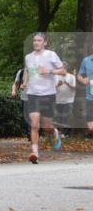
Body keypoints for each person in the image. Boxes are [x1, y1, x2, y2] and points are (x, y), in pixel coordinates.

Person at [20, 32, 66, 163]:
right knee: (34, 124)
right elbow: (28, 71)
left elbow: (63, 71)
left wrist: (49, 71)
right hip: (33, 94)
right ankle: (34, 152)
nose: (36, 43)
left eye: (39, 40)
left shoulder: (51, 55)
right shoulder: (28, 57)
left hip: (48, 94)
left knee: (46, 127)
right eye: (34, 40)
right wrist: (25, 82)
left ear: (45, 42)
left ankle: (54, 131)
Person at [54, 63, 76, 139]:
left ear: (66, 68)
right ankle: (63, 133)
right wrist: (57, 85)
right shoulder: (56, 77)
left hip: (69, 100)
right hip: (58, 100)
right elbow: (51, 88)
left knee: (67, 116)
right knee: (60, 117)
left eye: (63, 68)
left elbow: (75, 88)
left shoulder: (72, 77)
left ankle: (65, 133)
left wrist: (68, 84)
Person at [77, 49, 93, 139]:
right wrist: (83, 80)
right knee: (91, 127)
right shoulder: (86, 60)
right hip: (90, 98)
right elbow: (79, 75)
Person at [11, 66, 29, 134]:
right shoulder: (21, 72)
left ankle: (32, 133)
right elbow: (16, 84)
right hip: (24, 98)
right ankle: (29, 133)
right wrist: (13, 91)